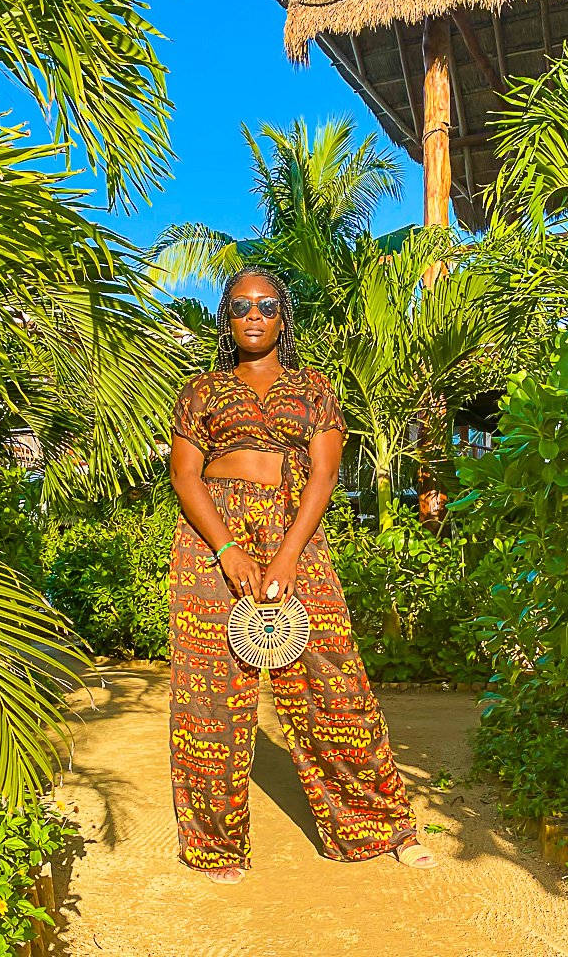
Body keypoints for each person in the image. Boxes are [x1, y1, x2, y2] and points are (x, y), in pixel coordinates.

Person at [169, 266, 436, 884]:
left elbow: (323, 474)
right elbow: (186, 475)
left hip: (296, 531)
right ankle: (215, 845)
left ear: (284, 317)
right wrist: (228, 548)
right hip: (212, 537)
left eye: (266, 305)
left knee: (331, 677)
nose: (254, 315)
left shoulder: (314, 388)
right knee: (210, 694)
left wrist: (286, 554)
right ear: (226, 317)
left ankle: (377, 826)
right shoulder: (201, 391)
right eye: (240, 305)